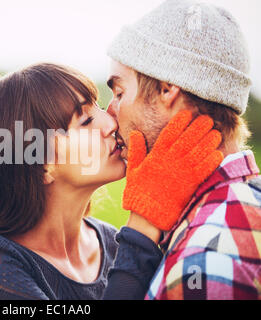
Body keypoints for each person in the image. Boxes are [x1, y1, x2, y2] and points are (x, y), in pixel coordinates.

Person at [0, 62, 222, 299]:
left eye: (99, 108)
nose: (110, 123)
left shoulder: (116, 245)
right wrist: (144, 222)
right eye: (85, 121)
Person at [104, 0, 261, 300]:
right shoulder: (242, 202)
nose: (110, 113)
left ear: (167, 89)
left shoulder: (207, 260)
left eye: (120, 93)